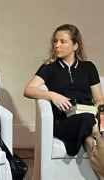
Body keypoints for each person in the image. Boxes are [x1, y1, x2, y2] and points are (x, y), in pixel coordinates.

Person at [23, 24, 104, 179]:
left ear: (75, 45)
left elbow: (99, 99)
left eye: (62, 41)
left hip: (88, 116)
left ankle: (92, 144)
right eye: (55, 41)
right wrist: (52, 95)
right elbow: (29, 90)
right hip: (64, 120)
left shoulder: (88, 67)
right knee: (87, 123)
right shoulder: (49, 68)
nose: (57, 45)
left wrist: (100, 114)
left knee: (89, 121)